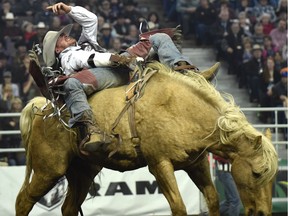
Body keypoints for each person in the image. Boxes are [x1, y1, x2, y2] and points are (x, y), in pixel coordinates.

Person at [42, 2, 220, 153]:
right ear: (57, 49)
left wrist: (69, 10)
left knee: (158, 37)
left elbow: (91, 20)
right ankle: (90, 128)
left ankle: (187, 74)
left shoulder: (83, 44)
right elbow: (89, 59)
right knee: (73, 82)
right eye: (61, 37)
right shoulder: (67, 57)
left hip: (118, 65)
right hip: (109, 70)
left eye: (63, 34)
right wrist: (115, 59)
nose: (65, 35)